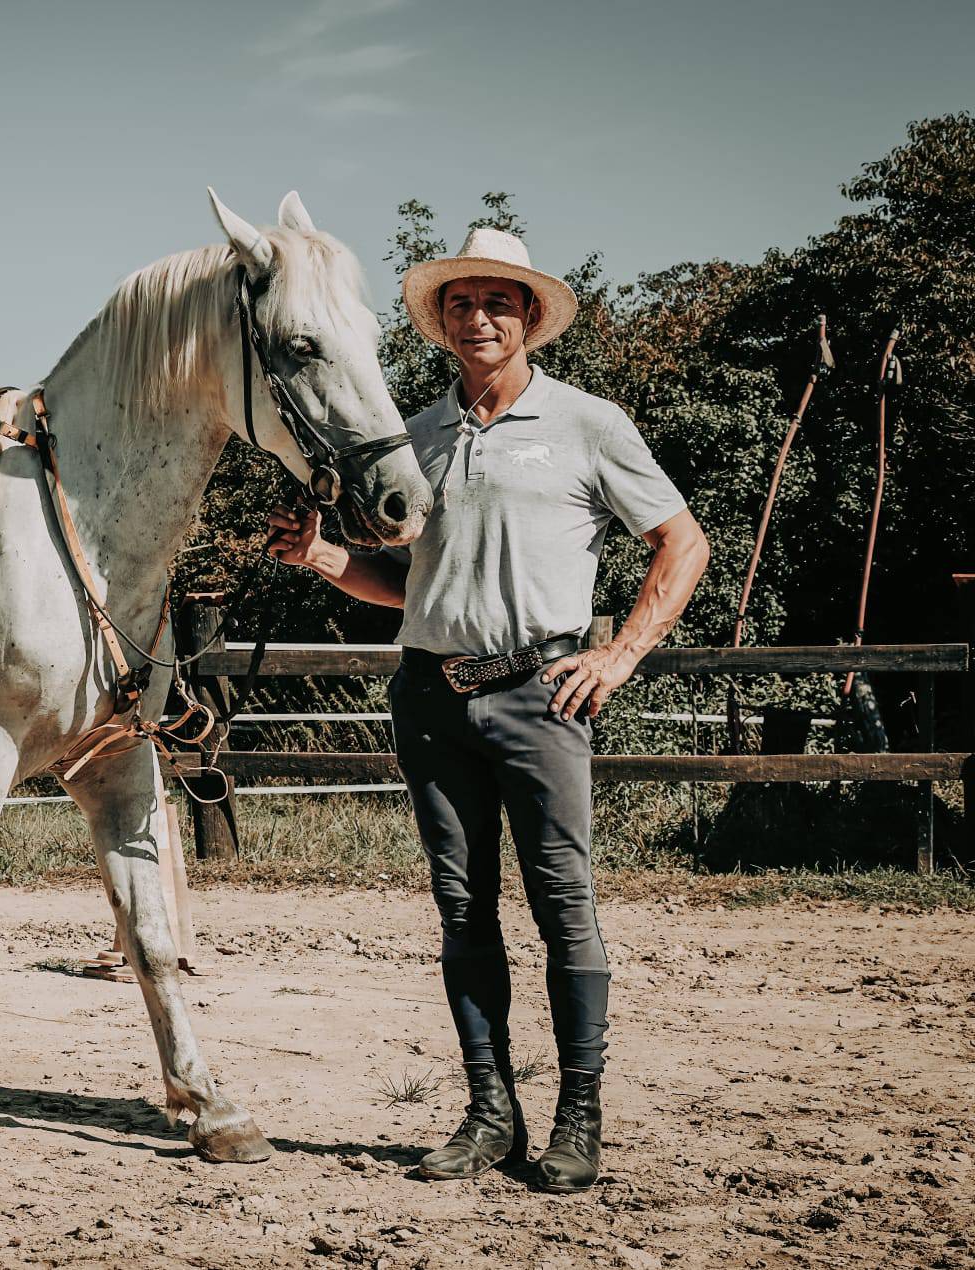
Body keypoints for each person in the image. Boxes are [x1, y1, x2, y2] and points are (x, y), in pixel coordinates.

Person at [266, 227, 708, 1192]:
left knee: (562, 905)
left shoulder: (588, 423)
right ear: (442, 322)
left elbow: (680, 543)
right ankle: (487, 1111)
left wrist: (620, 653)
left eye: (497, 302)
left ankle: (578, 1118)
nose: (478, 318)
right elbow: (405, 584)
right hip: (428, 695)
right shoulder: (415, 433)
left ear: (529, 316)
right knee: (462, 910)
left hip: (541, 693)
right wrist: (321, 559)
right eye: (460, 304)